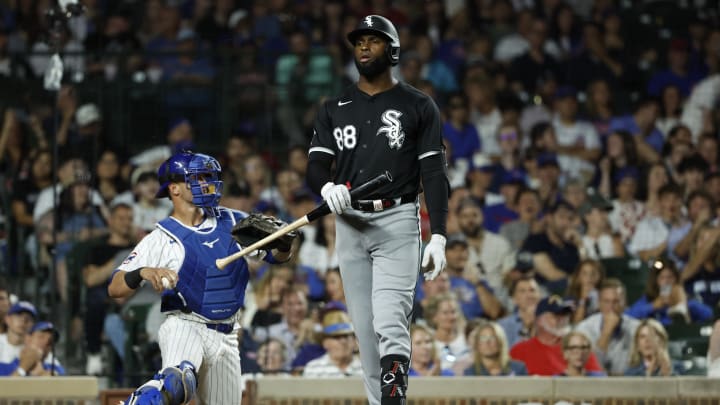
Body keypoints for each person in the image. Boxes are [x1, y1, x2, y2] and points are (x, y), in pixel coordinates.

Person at [306, 15, 449, 405]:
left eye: (374, 39)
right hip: (349, 223)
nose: (364, 47)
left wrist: (438, 234)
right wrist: (326, 186)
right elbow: (316, 164)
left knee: (390, 319)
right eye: (359, 41)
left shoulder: (418, 105)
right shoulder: (334, 106)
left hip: (397, 219)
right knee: (366, 335)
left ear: (393, 49)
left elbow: (434, 172)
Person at [108, 151, 294, 405]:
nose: (206, 183)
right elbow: (115, 288)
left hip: (228, 335)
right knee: (178, 382)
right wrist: (142, 271)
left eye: (209, 177)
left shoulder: (233, 220)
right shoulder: (162, 238)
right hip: (186, 325)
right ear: (174, 188)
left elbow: (278, 258)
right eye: (197, 178)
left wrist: (283, 245)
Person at [509, 295, 604, 376]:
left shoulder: (579, 348)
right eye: (555, 315)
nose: (561, 319)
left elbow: (597, 381)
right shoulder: (520, 351)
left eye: (564, 315)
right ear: (539, 321)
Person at [576, 278, 640, 375]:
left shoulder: (636, 328)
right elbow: (590, 366)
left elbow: (638, 366)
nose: (611, 307)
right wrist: (606, 333)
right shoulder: (584, 329)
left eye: (616, 301)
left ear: (624, 303)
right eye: (606, 301)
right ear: (599, 303)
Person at [302, 307, 363, 378]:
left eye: (346, 336)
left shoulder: (367, 370)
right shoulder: (312, 369)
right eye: (336, 337)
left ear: (354, 341)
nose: (343, 341)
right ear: (325, 343)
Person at [464, 321, 528, 376]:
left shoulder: (518, 369)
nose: (487, 342)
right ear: (477, 344)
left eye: (492, 337)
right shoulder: (470, 373)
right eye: (483, 338)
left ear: (500, 341)